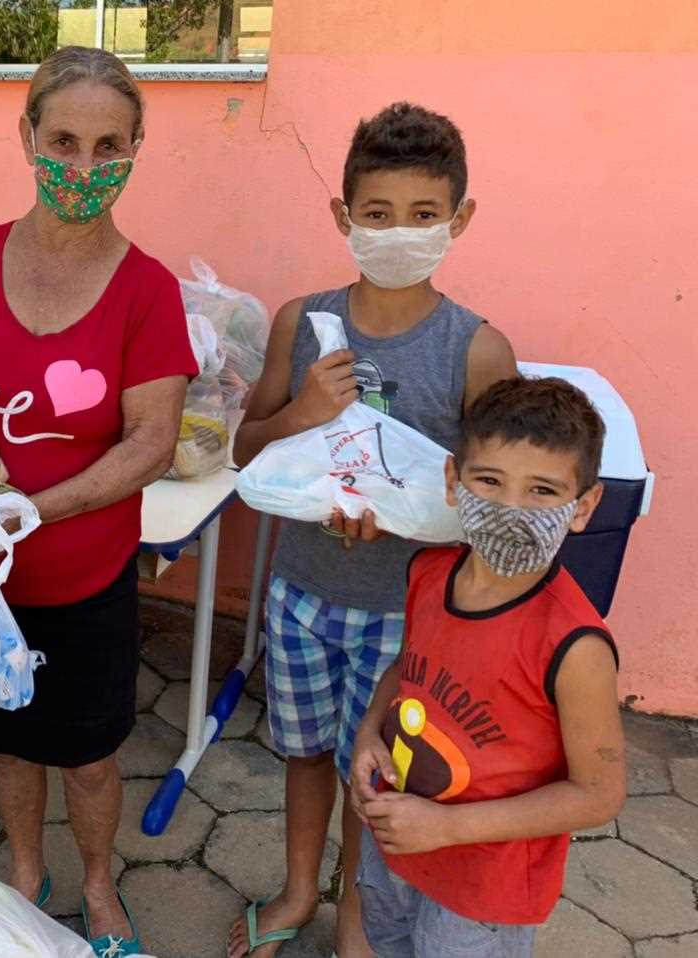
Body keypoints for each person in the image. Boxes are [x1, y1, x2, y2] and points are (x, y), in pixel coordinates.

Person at [0, 46, 196, 958]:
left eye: (108, 146)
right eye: (63, 140)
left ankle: (101, 888)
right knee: (7, 738)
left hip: (82, 578)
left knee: (91, 753)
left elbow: (151, 440)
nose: (83, 168)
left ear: (137, 148)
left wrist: (35, 507)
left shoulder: (147, 290)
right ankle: (27, 874)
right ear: (27, 135)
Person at [229, 102, 519, 958]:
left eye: (424, 216)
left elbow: (490, 504)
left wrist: (403, 523)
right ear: (342, 215)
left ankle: (356, 917)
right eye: (378, 213)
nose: (399, 232)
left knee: (376, 772)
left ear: (458, 220)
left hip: (406, 617)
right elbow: (246, 450)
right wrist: (305, 412)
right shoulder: (302, 322)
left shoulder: (477, 350)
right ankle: (293, 893)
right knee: (305, 753)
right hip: (300, 594)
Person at [349, 376, 625, 957]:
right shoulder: (428, 573)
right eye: (490, 481)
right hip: (396, 842)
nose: (510, 509)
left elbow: (598, 795)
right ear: (455, 481)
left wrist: (447, 828)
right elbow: (410, 666)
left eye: (543, 491)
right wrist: (371, 732)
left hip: (484, 890)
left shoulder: (575, 647)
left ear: (585, 506)